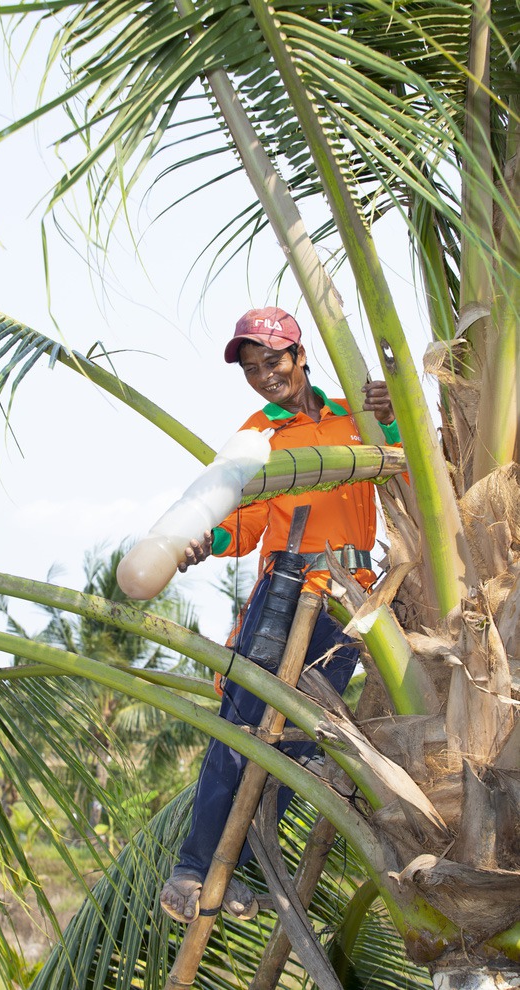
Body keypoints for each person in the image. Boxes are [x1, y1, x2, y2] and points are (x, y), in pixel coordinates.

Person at [159, 307, 399, 925]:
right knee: (242, 730)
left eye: (273, 361)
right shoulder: (257, 434)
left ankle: (233, 870)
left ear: (299, 356)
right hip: (289, 589)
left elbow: (413, 463)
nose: (264, 376)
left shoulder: (356, 416)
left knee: (301, 743)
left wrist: (394, 408)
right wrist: (201, 541)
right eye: (250, 369)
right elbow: (240, 516)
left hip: (353, 597)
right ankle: (191, 871)